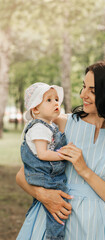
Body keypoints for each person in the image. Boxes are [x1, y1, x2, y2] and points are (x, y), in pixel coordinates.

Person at [16, 61, 105, 240]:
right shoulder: (62, 122)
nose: (83, 95)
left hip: (96, 227)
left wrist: (85, 171)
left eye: (93, 90)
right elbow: (22, 175)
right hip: (52, 219)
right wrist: (44, 196)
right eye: (84, 87)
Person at [16, 82, 72, 240]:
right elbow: (43, 154)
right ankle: (54, 237)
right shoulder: (39, 128)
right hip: (45, 175)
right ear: (35, 109)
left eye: (56, 99)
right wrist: (64, 155)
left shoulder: (49, 126)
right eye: (49, 100)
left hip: (45, 175)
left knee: (43, 207)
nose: (55, 102)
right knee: (57, 211)